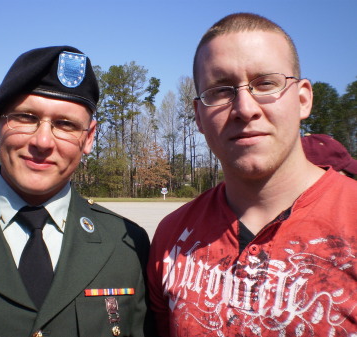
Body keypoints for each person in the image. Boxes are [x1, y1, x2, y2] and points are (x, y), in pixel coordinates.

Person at [0, 46, 154, 336]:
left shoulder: (127, 245)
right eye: (26, 117)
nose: (43, 141)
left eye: (65, 124)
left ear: (88, 139)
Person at [147, 13, 357, 336]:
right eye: (220, 91)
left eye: (266, 83)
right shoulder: (171, 239)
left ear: (303, 100)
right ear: (199, 117)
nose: (245, 108)